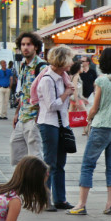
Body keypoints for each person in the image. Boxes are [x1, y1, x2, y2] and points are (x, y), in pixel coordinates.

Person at [67, 48, 111, 216]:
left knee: (88, 164)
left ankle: (81, 204)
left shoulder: (102, 81)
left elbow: (95, 107)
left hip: (101, 127)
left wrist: (89, 117)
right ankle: (109, 205)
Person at [37, 45, 75, 211]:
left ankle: (60, 199)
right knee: (50, 163)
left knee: (60, 164)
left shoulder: (63, 78)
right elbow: (51, 105)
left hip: (61, 124)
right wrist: (67, 93)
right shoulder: (47, 79)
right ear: (63, 60)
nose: (72, 62)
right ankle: (45, 199)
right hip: (49, 123)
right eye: (70, 58)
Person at [10, 32, 46, 166]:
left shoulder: (41, 67)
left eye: (28, 44)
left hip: (34, 118)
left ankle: (37, 186)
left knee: (35, 157)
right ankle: (20, 185)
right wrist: (16, 113)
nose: (25, 47)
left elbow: (44, 95)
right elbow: (23, 92)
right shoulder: (23, 66)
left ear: (36, 47)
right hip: (22, 117)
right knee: (17, 153)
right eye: (23, 45)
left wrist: (38, 117)